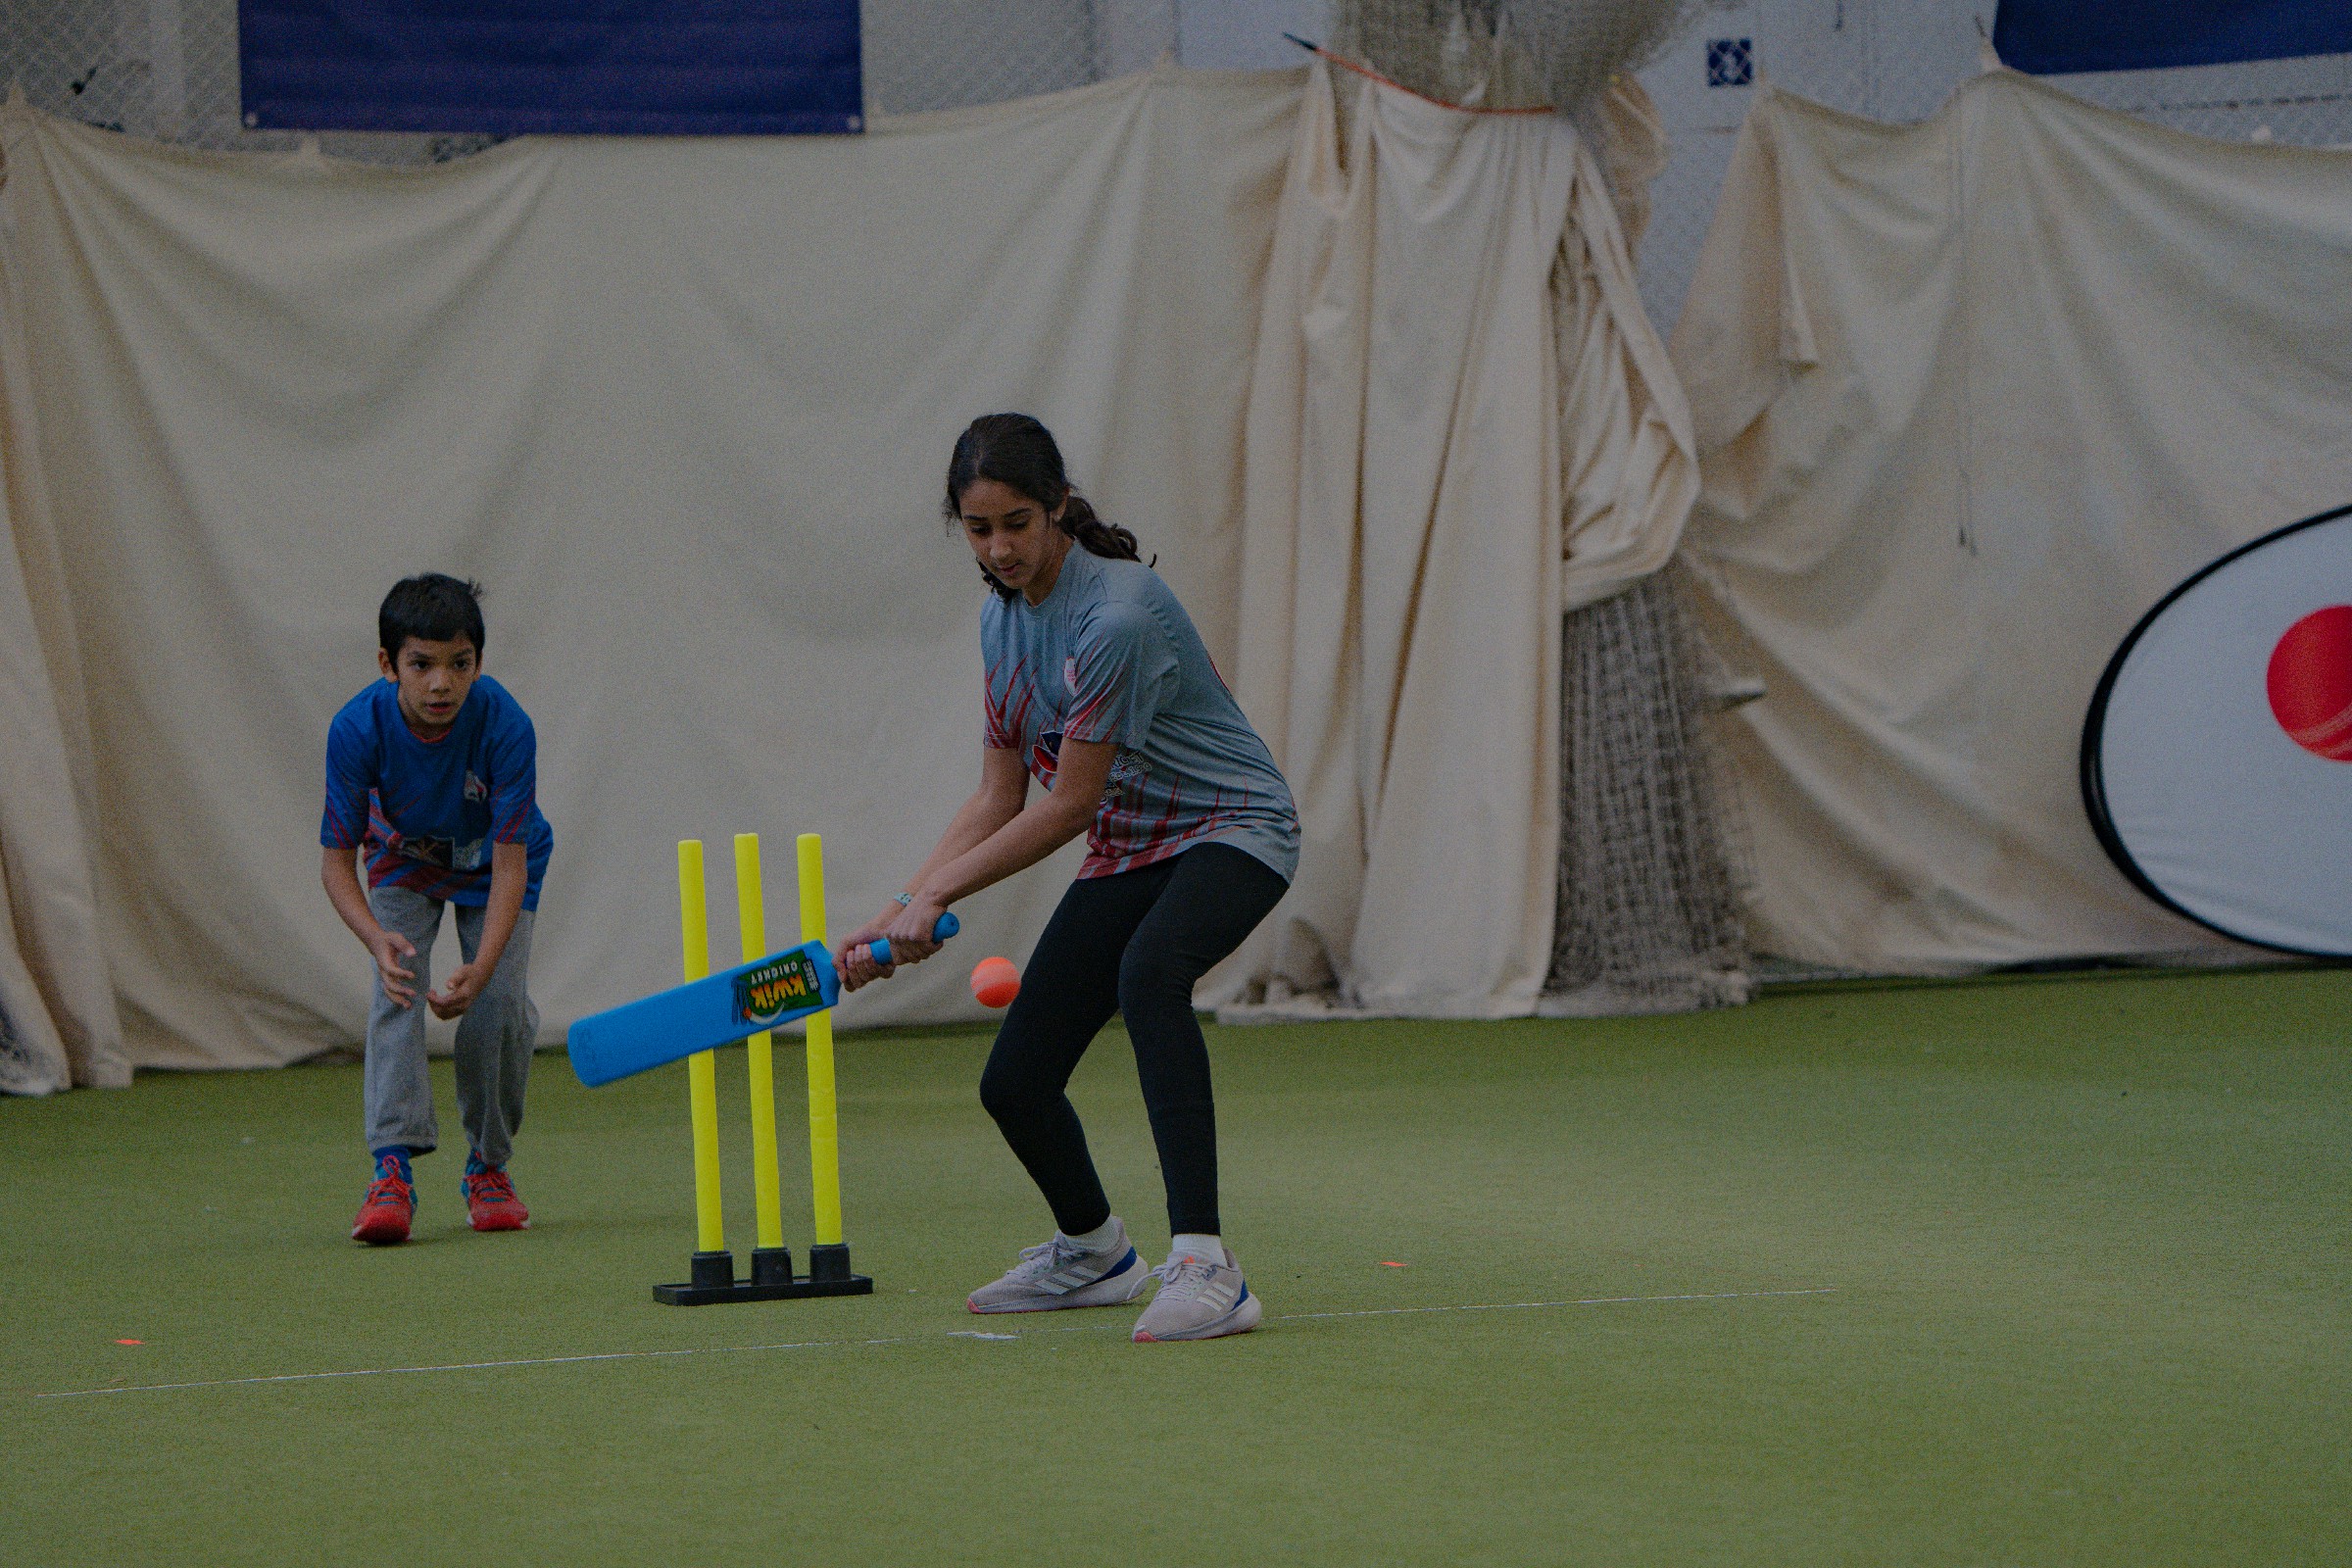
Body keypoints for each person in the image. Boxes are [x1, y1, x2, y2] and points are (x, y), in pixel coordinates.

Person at [838, 414, 1298, 1343]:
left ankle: (1208, 1265)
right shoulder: (1001, 622)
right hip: (1132, 848)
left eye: (1016, 523)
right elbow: (998, 794)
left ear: (1057, 507)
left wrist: (938, 898)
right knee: (1015, 1081)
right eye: (979, 529)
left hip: (1234, 828)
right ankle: (1094, 1252)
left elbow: (1070, 804)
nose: (999, 549)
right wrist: (895, 911)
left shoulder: (1116, 617)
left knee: (1149, 976)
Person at [321, 574, 554, 1246]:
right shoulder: (355, 729)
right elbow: (336, 866)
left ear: (479, 663)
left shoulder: (506, 725)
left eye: (460, 664)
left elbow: (510, 865)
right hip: (404, 861)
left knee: (499, 1006)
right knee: (396, 992)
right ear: (387, 663)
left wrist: (482, 971)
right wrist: (375, 938)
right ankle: (391, 1171)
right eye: (421, 664)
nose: (441, 684)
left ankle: (488, 1166)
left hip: (495, 870)